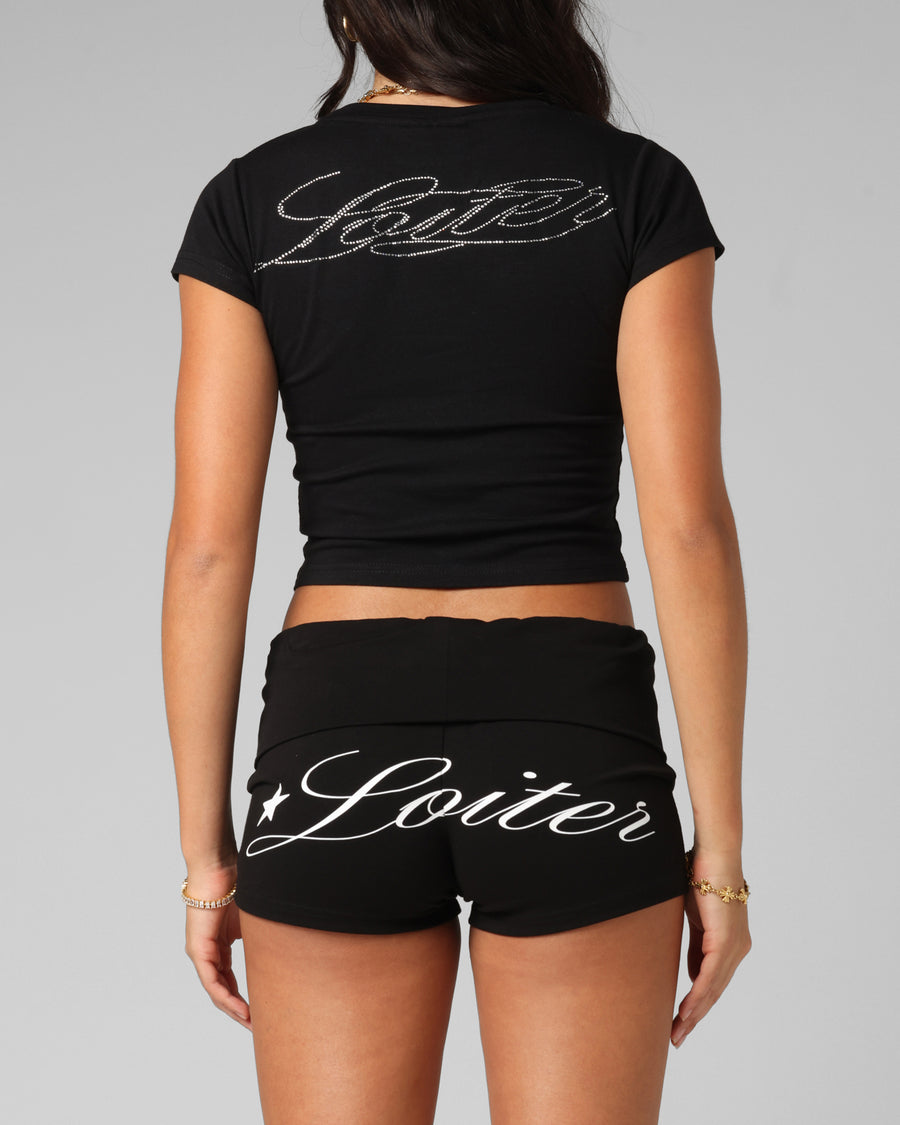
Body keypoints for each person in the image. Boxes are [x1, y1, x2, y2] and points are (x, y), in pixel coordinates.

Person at [162, 2, 752, 1122]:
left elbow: (206, 549)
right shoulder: (635, 186)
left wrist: (207, 860)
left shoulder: (251, 199)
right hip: (570, 726)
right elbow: (689, 529)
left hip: (338, 731)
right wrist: (717, 857)